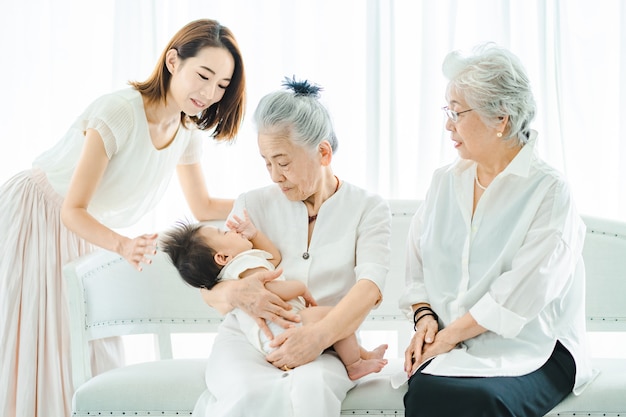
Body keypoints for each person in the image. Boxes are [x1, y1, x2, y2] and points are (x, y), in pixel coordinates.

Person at [0, 19, 246, 417]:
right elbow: (71, 209)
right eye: (203, 75)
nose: (209, 92)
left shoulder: (184, 130)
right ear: (172, 61)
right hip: (39, 216)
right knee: (34, 345)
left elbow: (202, 206)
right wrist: (123, 245)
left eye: (221, 85)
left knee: (88, 350)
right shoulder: (118, 112)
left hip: (83, 232)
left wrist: (271, 201)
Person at [399, 43, 594, 417]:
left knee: (482, 401)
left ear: (501, 119)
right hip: (452, 348)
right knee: (427, 392)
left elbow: (524, 292)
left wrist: (448, 336)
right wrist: (424, 317)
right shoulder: (444, 183)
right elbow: (416, 267)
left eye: (456, 113)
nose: (447, 125)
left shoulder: (549, 192)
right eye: (447, 111)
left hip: (536, 348)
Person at [189, 77, 391, 417]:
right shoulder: (250, 204)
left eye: (283, 162)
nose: (274, 175)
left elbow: (369, 287)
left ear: (323, 153)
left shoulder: (368, 207)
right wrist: (238, 294)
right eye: (266, 162)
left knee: (312, 390)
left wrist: (318, 337)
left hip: (329, 341)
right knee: (246, 392)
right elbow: (211, 288)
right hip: (248, 338)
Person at [160, 213, 389, 380]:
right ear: (222, 257)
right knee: (336, 316)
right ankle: (355, 364)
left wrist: (254, 235)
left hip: (271, 340)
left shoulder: (237, 268)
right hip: (283, 330)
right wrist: (299, 288)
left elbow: (273, 257)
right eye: (223, 232)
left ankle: (364, 355)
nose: (230, 230)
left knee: (333, 329)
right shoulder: (244, 266)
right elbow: (270, 291)